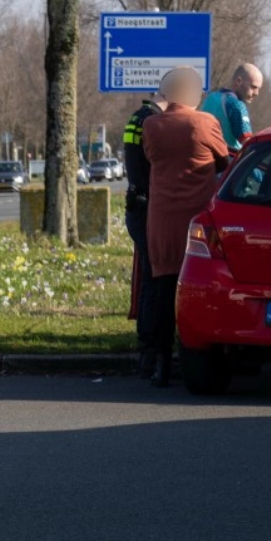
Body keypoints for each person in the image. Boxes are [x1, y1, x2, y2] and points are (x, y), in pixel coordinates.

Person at [143, 67, 231, 386]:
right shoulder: (204, 123)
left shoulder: (151, 126)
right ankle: (198, 355)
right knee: (199, 289)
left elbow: (151, 158)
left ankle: (161, 362)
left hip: (162, 219)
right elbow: (224, 161)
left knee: (164, 289)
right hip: (197, 222)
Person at [122, 90, 168, 377]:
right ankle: (150, 352)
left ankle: (147, 351)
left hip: (136, 205)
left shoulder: (136, 119)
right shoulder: (153, 122)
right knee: (154, 280)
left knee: (148, 279)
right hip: (148, 207)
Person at [198, 63, 262, 154]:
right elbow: (248, 144)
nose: (257, 93)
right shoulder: (236, 105)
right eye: (253, 87)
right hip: (228, 161)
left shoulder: (210, 98)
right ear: (239, 81)